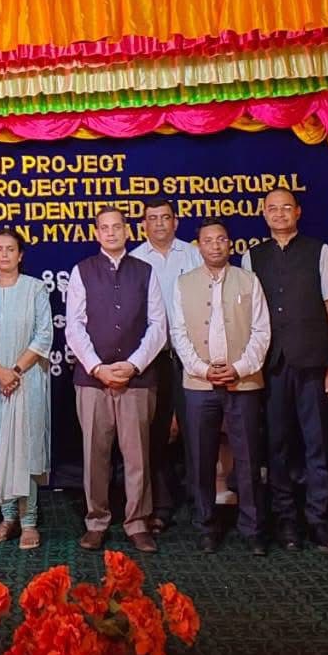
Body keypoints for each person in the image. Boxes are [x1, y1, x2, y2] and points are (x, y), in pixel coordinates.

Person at [243, 187, 328, 553]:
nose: (280, 214)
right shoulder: (252, 257)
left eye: (286, 207)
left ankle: (318, 520)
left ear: (298, 212)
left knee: (317, 445)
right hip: (271, 366)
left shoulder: (320, 251)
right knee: (277, 446)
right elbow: (249, 316)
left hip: (313, 363)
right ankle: (286, 520)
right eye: (273, 208)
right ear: (264, 214)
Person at [65, 207, 168, 553]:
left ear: (127, 231)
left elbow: (158, 326)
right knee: (95, 455)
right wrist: (98, 368)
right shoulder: (82, 271)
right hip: (93, 380)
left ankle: (137, 523)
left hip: (136, 380)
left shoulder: (145, 271)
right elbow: (74, 326)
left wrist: (133, 365)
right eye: (104, 228)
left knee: (138, 455)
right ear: (97, 234)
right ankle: (96, 522)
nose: (111, 233)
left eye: (116, 227)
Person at [170, 220, 271, 554]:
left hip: (243, 382)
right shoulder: (183, 283)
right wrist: (202, 369)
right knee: (201, 459)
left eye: (221, 239)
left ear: (230, 244)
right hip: (199, 384)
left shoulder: (248, 280)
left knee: (248, 457)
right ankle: (205, 526)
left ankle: (253, 528)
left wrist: (239, 368)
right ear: (198, 246)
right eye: (208, 240)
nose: (215, 245)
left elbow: (262, 331)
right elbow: (178, 333)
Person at [0, 229, 54, 550]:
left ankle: (29, 522)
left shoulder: (35, 289)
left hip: (26, 381)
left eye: (10, 249)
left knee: (25, 450)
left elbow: (44, 335)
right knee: (0, 450)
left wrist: (14, 371)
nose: (4, 255)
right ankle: (7, 518)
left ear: (20, 255)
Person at [130, 197, 203, 533]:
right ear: (143, 224)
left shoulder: (193, 254)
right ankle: (161, 506)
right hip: (153, 359)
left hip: (192, 357)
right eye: (152, 218)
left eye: (165, 217)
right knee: (155, 434)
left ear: (176, 221)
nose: (159, 223)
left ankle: (200, 504)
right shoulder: (135, 260)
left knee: (196, 430)